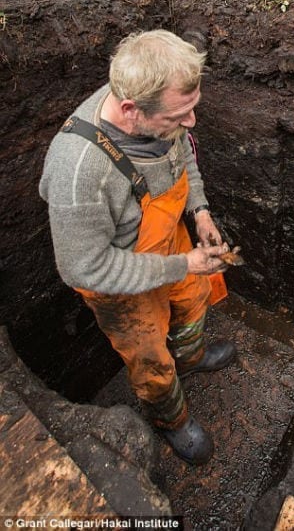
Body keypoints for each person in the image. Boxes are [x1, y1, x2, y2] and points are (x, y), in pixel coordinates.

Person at [39, 29, 236, 467]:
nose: (191, 124)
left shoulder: (156, 108)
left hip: (170, 248)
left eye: (192, 109)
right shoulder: (80, 172)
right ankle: (171, 418)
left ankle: (193, 355)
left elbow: (181, 151)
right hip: (119, 284)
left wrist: (200, 211)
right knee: (151, 363)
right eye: (179, 115)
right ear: (130, 110)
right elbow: (83, 267)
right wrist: (182, 263)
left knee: (194, 299)